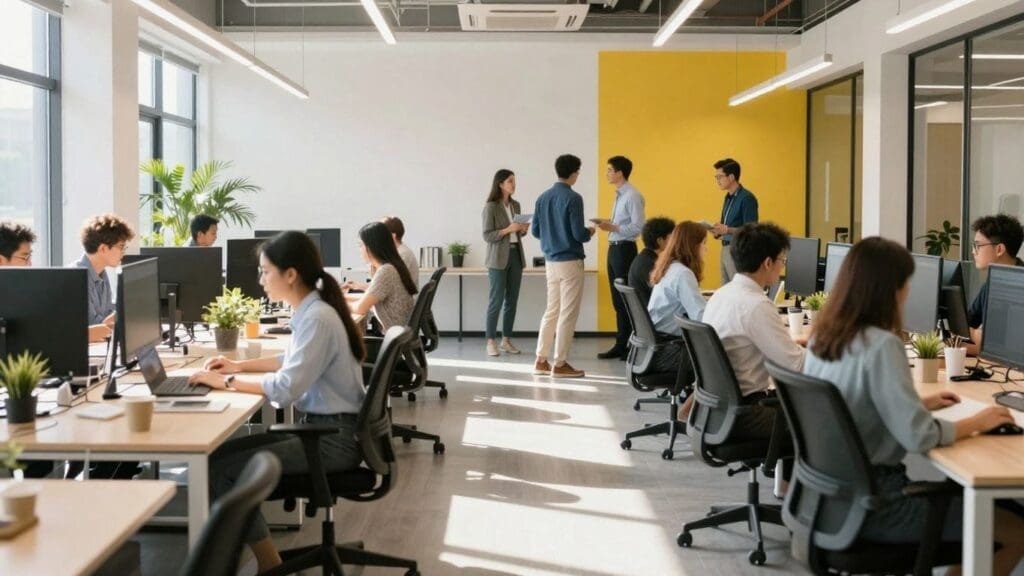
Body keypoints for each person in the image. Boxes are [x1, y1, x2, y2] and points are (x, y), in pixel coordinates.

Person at [803, 237, 1024, 573]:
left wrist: (917, 403)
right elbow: (918, 437)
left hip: (831, 502)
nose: (908, 293)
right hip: (879, 505)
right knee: (1018, 531)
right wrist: (979, 421)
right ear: (889, 289)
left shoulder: (822, 337)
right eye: (906, 284)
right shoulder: (881, 345)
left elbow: (851, 404)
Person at [188, 231, 367, 574]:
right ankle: (265, 560)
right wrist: (238, 366)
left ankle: (268, 564)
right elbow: (288, 360)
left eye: (265, 271)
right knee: (217, 460)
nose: (260, 279)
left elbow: (285, 389)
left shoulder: (317, 318)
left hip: (331, 440)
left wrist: (225, 381)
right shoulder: (314, 310)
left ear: (290, 274)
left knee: (218, 471)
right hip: (325, 429)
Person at [702, 222, 802, 492]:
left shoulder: (721, 295)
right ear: (767, 263)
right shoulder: (756, 305)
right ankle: (802, 505)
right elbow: (796, 364)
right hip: (744, 414)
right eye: (782, 260)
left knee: (793, 401)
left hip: (716, 410)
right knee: (820, 419)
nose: (782, 266)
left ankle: (785, 487)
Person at [532, 154, 595, 378]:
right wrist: (590, 231)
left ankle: (541, 359)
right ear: (574, 173)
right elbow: (579, 234)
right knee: (568, 314)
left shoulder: (542, 198)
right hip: (570, 261)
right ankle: (560, 364)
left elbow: (536, 232)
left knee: (551, 310)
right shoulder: (574, 198)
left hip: (551, 262)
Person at [595, 156, 645, 360]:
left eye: (609, 170)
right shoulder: (619, 195)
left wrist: (613, 227)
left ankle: (629, 344)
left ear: (620, 173)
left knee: (625, 299)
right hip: (614, 248)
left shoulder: (633, 195)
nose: (607, 174)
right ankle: (620, 343)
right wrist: (607, 223)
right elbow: (621, 223)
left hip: (625, 249)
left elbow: (638, 227)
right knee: (617, 300)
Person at [646, 221, 707, 378]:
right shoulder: (682, 274)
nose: (706, 249)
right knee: (723, 359)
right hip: (667, 353)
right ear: (692, 246)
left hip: (653, 350)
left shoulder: (670, 267)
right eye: (704, 243)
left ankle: (694, 402)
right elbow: (700, 317)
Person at [482, 169, 529, 357]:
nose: (513, 184)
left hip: (516, 256)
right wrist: (509, 229)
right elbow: (487, 235)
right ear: (500, 184)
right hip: (497, 259)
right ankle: (491, 341)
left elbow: (517, 233)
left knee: (512, 301)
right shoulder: (491, 207)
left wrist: (522, 230)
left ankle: (506, 340)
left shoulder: (516, 205)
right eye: (510, 181)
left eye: (514, 181)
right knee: (496, 301)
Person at [966, 214, 1024, 356]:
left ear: (999, 249)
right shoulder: (991, 283)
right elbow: (967, 324)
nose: (973, 252)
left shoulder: (1019, 286)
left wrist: (972, 336)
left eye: (977, 246)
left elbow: (991, 344)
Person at [72, 214, 135, 343]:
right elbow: (96, 327)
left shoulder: (101, 273)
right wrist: (128, 310)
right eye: (121, 247)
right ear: (103, 248)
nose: (124, 252)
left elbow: (106, 316)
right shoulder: (76, 279)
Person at [346, 222, 417, 331]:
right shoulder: (392, 266)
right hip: (400, 339)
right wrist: (339, 297)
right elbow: (367, 298)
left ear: (371, 246)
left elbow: (360, 308)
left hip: (395, 341)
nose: (359, 250)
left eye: (360, 245)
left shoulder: (386, 271)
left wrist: (338, 304)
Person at [711, 158, 758, 284]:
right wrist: (718, 232)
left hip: (738, 251)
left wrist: (727, 229)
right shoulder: (728, 198)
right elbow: (726, 226)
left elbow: (752, 230)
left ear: (731, 177)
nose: (718, 180)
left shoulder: (747, 198)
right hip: (725, 248)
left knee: (737, 289)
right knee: (725, 289)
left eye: (720, 177)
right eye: (716, 177)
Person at [628, 216, 675, 308]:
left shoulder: (644, 258)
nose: (675, 242)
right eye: (672, 238)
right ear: (660, 241)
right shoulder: (650, 264)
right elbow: (664, 296)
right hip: (655, 317)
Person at [382, 216, 419, 287]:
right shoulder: (401, 251)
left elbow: (388, 285)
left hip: (402, 297)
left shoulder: (402, 254)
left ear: (392, 236)